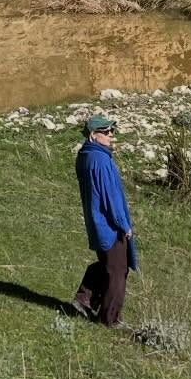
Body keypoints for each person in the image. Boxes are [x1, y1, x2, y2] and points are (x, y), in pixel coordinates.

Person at [72, 112, 137, 327]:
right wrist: (123, 224)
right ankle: (110, 319)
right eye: (106, 132)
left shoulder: (85, 155)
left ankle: (84, 299)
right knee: (117, 271)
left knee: (108, 265)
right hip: (108, 225)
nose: (111, 135)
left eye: (111, 131)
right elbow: (110, 197)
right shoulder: (100, 160)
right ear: (93, 135)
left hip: (96, 222)